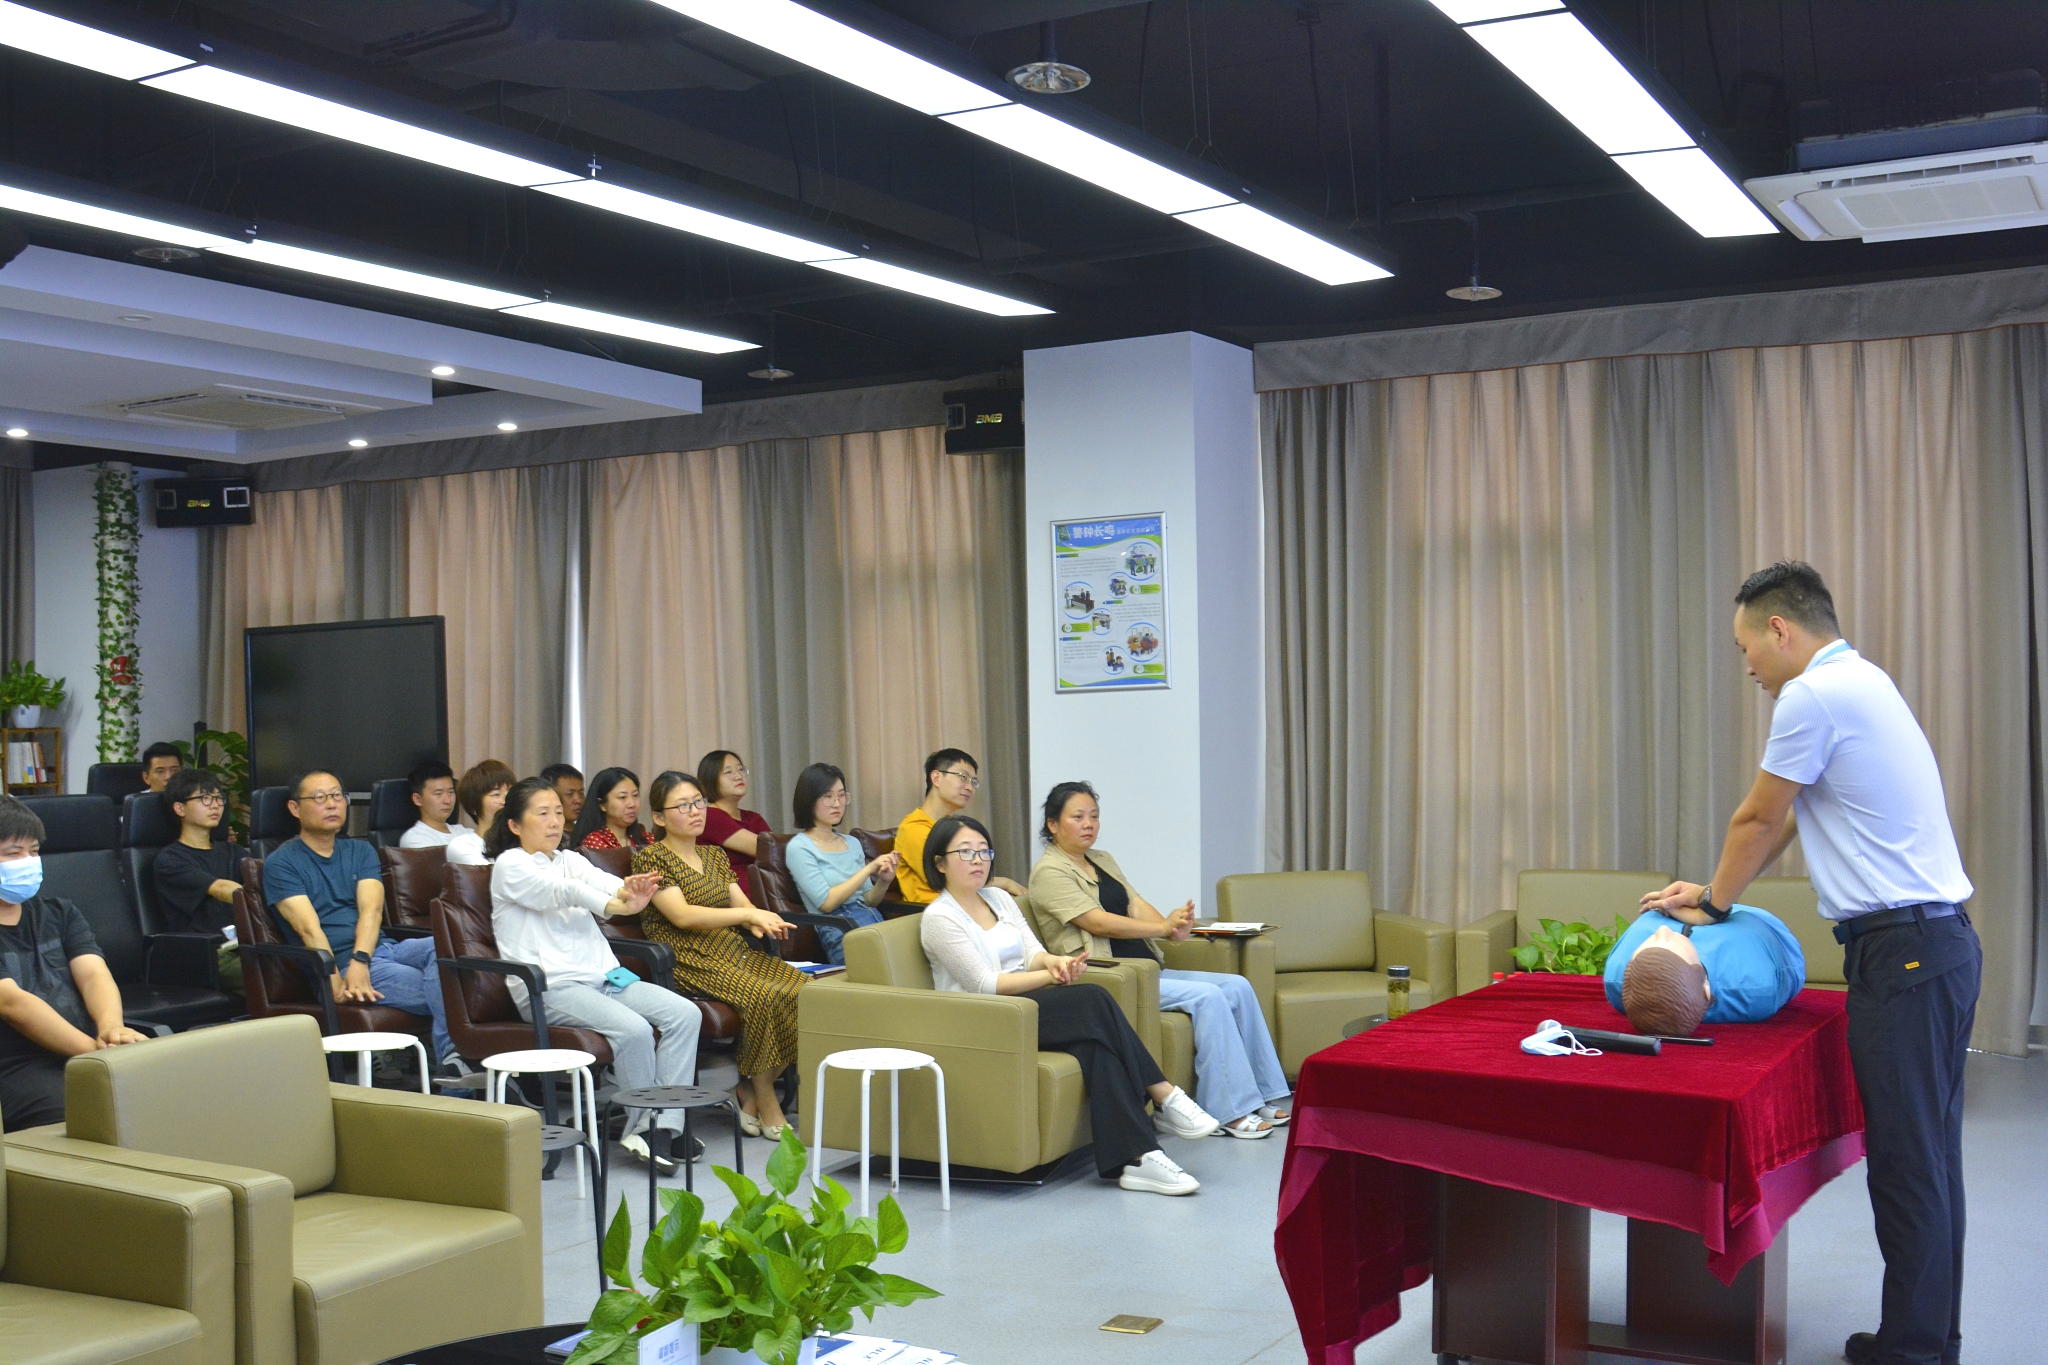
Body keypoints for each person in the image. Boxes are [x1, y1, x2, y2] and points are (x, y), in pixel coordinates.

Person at [1641, 562, 1979, 1365]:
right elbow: (1788, 813)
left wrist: (1714, 904)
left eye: (1745, 648)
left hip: (1903, 956)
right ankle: (1928, 1340)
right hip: (1936, 946)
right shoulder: (1863, 680)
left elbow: (1758, 816)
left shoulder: (1812, 695)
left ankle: (1913, 1352)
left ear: (1780, 629)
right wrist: (1715, 888)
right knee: (1931, 1157)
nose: (1748, 667)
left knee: (1907, 1165)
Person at [918, 813, 1218, 1195]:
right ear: (940, 863)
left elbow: (1032, 953)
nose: (978, 860)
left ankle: (1139, 1159)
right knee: (1093, 997)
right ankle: (1163, 1094)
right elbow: (986, 984)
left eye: (984, 851)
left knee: (1098, 1048)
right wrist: (1049, 977)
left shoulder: (998, 899)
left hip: (1026, 1006)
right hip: (986, 1019)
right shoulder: (940, 917)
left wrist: (1055, 962)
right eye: (965, 852)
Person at [1029, 781, 1291, 1138]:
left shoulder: (1101, 860)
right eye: (1077, 817)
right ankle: (1228, 1110)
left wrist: (1171, 929)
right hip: (1111, 975)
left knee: (1238, 986)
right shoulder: (1048, 872)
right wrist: (1161, 927)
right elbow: (1096, 921)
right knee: (1209, 996)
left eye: (1094, 816)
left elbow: (1135, 903)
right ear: (1053, 824)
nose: (1088, 824)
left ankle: (1263, 1093)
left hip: (1149, 968)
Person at [488, 778, 702, 1170]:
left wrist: (628, 888)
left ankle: (665, 1124)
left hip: (604, 979)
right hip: (550, 989)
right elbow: (564, 892)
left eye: (558, 812)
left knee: (685, 1014)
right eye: (542, 814)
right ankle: (646, 1127)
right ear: (515, 824)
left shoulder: (568, 858)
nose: (555, 822)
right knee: (635, 1030)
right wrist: (617, 906)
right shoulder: (510, 865)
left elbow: (602, 882)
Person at [633, 771, 807, 1140]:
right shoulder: (651, 858)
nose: (696, 811)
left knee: (809, 993)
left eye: (698, 802)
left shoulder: (713, 854)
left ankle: (750, 1089)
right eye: (683, 806)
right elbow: (683, 916)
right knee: (764, 996)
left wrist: (760, 919)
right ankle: (766, 1098)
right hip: (688, 958)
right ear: (659, 817)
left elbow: (740, 904)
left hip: (731, 949)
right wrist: (745, 916)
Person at [264, 770, 459, 1076]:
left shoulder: (360, 850)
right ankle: (456, 1070)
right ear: (294, 808)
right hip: (340, 963)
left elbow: (372, 911)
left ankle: (449, 1062)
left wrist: (362, 960)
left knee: (447, 949)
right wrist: (333, 979)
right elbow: (308, 929)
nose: (332, 804)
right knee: (454, 991)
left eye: (337, 796)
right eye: (320, 798)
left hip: (378, 952)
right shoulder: (282, 862)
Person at [0, 794, 149, 1130]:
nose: (28, 862)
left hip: (87, 1050)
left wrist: (112, 1029)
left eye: (34, 851)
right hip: (17, 1065)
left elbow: (94, 974)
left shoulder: (59, 912)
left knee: (164, 1093)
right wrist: (98, 1056)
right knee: (94, 1114)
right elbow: (12, 1004)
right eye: (13, 853)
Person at [1603, 905, 1806, 1036]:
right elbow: (1751, 923)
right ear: (1705, 989)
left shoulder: (1618, 981)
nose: (1663, 930)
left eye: (1654, 938)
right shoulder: (1757, 985)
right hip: (1749, 917)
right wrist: (1712, 905)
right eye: (1672, 940)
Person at [786, 762, 898, 965]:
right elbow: (827, 903)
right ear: (809, 800)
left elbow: (869, 900)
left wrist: (884, 881)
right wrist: (868, 870)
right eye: (827, 796)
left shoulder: (852, 843)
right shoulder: (799, 847)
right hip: (837, 925)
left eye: (841, 795)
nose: (837, 803)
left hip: (870, 917)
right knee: (881, 970)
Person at [151, 767, 246, 995]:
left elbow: (263, 878)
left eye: (218, 798)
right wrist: (255, 896)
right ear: (180, 808)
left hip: (245, 946)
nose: (215, 805)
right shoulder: (169, 860)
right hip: (207, 954)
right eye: (204, 798)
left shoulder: (233, 851)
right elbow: (222, 889)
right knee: (281, 974)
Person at [892, 748, 1025, 904]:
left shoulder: (956, 828)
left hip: (967, 902)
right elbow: (952, 878)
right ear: (936, 778)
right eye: (963, 777)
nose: (970, 787)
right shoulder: (914, 829)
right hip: (935, 910)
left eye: (973, 782)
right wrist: (1005, 883)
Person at [698, 751, 772, 886]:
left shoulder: (753, 818)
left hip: (764, 890)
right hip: (729, 893)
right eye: (728, 772)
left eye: (741, 770)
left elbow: (776, 851)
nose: (738, 776)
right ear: (710, 779)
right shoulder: (709, 816)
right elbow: (766, 848)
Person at [447, 760, 514, 867]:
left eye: (510, 793)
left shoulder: (524, 840)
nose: (506, 801)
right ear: (474, 806)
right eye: (496, 794)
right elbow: (491, 875)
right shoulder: (463, 846)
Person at [572, 767, 649, 853]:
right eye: (622, 797)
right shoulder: (594, 843)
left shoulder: (648, 839)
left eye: (635, 795)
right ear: (602, 805)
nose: (632, 804)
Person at [398, 761, 458, 849]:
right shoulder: (414, 839)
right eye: (438, 794)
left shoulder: (465, 832)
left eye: (451, 792)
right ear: (418, 799)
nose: (447, 800)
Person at [540, 764, 586, 833]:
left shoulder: (588, 834)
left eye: (581, 793)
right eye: (570, 794)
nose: (578, 801)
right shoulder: (542, 835)